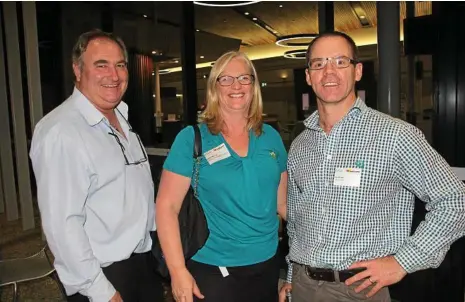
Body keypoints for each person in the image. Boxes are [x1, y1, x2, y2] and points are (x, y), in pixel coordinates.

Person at [279, 31, 465, 302]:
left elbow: (456, 200)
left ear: (358, 71)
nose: (329, 71)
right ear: (308, 76)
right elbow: (296, 220)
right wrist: (291, 275)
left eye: (340, 61)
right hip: (304, 285)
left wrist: (403, 261)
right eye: (318, 63)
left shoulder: (395, 136)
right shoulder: (301, 145)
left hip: (359, 290)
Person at [30, 29, 164, 302]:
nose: (113, 76)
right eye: (101, 65)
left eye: (120, 65)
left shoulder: (121, 117)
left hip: (140, 265)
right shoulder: (62, 130)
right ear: (77, 70)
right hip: (103, 277)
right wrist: (99, 290)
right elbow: (62, 225)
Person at [155, 51, 288, 302]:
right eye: (225, 79)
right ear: (214, 88)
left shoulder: (271, 136)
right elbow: (166, 206)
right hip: (212, 270)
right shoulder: (192, 139)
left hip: (267, 265)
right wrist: (177, 270)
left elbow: (282, 204)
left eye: (243, 78)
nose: (236, 86)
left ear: (253, 85)